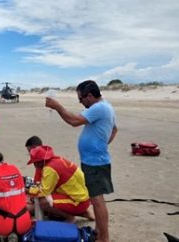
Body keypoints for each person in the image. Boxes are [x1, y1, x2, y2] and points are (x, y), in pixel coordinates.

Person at [45, 80, 118, 242]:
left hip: (95, 162)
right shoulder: (106, 107)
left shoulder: (99, 108)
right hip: (95, 160)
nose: (81, 102)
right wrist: (101, 144)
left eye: (81, 99)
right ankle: (99, 231)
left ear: (90, 96)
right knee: (96, 198)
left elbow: (74, 121)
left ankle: (104, 238)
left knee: (97, 201)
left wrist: (57, 107)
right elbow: (114, 129)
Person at [27, 145, 93, 222]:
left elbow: (43, 192)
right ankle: (84, 212)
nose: (34, 165)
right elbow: (38, 182)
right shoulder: (56, 160)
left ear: (38, 162)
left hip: (77, 202)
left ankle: (70, 217)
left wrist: (28, 191)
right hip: (81, 198)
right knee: (42, 200)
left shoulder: (50, 169)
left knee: (43, 202)